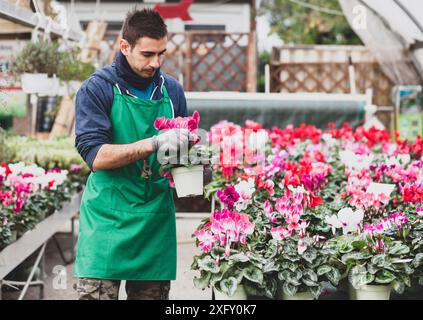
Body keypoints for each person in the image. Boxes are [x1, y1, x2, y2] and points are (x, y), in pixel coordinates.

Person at [73, 8, 210, 300]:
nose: (156, 63)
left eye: (161, 53)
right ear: (125, 47)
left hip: (154, 223)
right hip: (107, 219)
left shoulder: (171, 90)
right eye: (147, 54)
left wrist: (195, 164)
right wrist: (153, 143)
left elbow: (179, 156)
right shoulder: (98, 89)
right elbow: (95, 156)